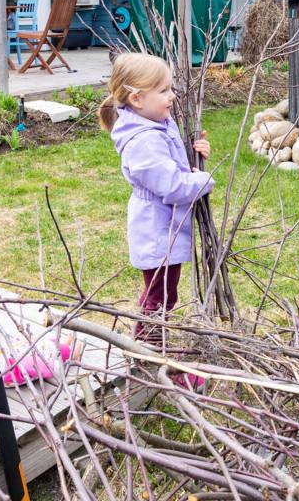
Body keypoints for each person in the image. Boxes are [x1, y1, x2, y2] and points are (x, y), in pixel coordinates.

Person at [98, 55, 212, 366]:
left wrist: (195, 155)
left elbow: (171, 164)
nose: (172, 95)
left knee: (161, 292)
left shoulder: (155, 123)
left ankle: (150, 347)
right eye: (163, 91)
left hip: (164, 225)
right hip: (156, 228)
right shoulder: (144, 141)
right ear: (136, 99)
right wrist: (202, 181)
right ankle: (147, 351)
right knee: (159, 296)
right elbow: (172, 185)